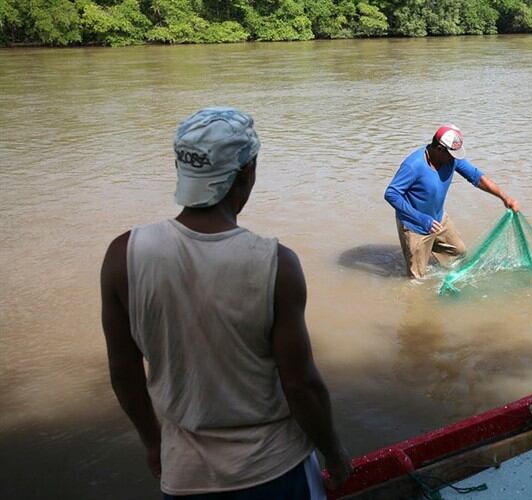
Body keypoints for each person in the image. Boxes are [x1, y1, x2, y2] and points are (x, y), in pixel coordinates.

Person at [100, 107, 352, 499]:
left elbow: (123, 373)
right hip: (275, 469)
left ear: (183, 170)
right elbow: (301, 386)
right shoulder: (275, 264)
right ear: (247, 173)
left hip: (185, 475)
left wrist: (154, 444)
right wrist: (335, 454)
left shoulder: (123, 255)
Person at [384, 124, 521, 278]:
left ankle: (434, 260)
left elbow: (477, 177)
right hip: (415, 225)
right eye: (451, 154)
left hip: (439, 219)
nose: (455, 158)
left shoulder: (451, 159)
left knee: (459, 252)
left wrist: (505, 197)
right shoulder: (413, 166)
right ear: (439, 149)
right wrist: (421, 219)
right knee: (417, 279)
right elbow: (391, 194)